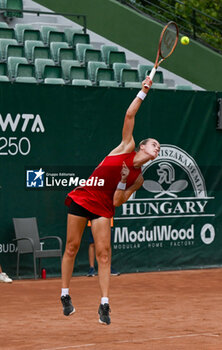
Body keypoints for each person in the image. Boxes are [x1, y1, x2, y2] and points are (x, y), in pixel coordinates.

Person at [60, 77, 160, 325]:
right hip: (84, 196)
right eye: (154, 145)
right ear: (142, 147)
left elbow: (117, 201)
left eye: (159, 149)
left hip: (103, 207)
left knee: (104, 254)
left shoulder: (139, 179)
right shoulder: (127, 146)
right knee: (72, 247)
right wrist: (143, 92)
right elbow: (129, 116)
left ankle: (104, 304)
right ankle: (65, 294)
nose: (157, 149)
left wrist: (125, 181)